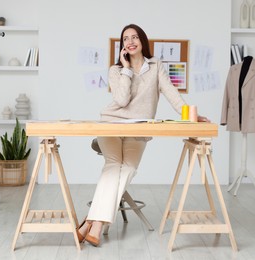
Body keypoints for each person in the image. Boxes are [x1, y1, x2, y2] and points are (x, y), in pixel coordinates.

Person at [77, 24, 210, 247]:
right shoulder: (115, 70)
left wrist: (192, 116)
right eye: (126, 38)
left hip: (139, 128)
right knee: (113, 165)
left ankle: (91, 221)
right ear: (122, 45)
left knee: (127, 168)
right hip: (111, 123)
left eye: (135, 37)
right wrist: (127, 70)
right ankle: (97, 226)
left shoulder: (156, 66)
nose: (130, 41)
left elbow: (172, 94)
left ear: (142, 41)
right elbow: (121, 101)